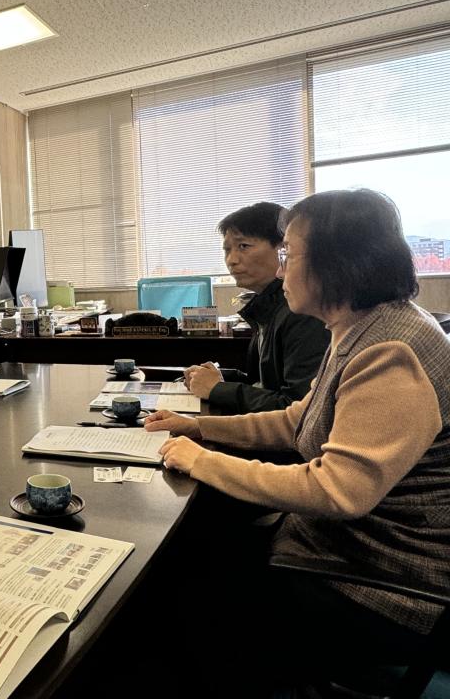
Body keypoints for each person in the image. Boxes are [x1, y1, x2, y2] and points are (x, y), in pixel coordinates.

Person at [146, 189, 450, 693]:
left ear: (338, 261)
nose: (282, 269)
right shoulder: (362, 326)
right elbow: (298, 419)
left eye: (289, 253)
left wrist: (202, 461)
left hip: (393, 579)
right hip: (347, 545)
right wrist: (200, 428)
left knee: (192, 587)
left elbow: (339, 490)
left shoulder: (392, 349)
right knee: (198, 551)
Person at [183, 201, 328, 413]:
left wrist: (217, 389)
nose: (231, 260)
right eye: (227, 250)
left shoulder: (302, 312)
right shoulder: (267, 309)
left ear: (284, 248)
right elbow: (262, 384)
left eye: (243, 246)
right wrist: (216, 378)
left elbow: (298, 408)